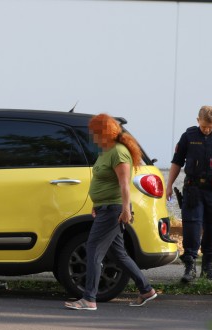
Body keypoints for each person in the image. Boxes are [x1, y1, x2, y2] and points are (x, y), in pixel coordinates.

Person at [65, 114, 157, 311]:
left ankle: (89, 298)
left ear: (104, 132)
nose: (92, 136)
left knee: (93, 248)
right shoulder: (106, 151)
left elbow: (124, 185)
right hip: (104, 207)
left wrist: (126, 210)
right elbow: (103, 181)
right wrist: (96, 203)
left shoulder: (119, 153)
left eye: (95, 132)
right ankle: (146, 290)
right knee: (118, 254)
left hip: (113, 210)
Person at [166, 106, 212, 283]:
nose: (206, 129)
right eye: (204, 126)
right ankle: (190, 265)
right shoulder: (188, 136)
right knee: (192, 225)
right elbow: (176, 162)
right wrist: (169, 185)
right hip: (193, 189)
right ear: (197, 120)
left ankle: (208, 265)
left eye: (210, 127)